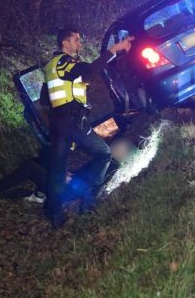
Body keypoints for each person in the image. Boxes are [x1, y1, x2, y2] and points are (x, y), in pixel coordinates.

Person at [43, 27, 133, 227]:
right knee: (103, 153)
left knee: (58, 170)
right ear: (64, 43)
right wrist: (114, 49)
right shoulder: (64, 62)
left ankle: (55, 214)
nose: (79, 44)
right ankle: (89, 199)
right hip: (71, 120)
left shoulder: (51, 66)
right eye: (75, 40)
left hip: (58, 122)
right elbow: (90, 69)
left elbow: (45, 97)